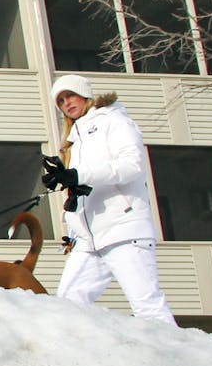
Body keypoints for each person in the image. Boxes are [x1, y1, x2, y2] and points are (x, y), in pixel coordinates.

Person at [41, 74, 177, 325]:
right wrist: (71, 220)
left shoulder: (114, 121)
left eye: (70, 95)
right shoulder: (75, 139)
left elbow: (131, 166)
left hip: (124, 230)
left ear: (84, 94)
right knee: (67, 304)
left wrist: (78, 174)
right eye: (60, 101)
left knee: (147, 306)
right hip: (89, 240)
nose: (67, 103)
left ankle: (181, 361)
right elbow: (87, 187)